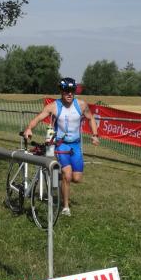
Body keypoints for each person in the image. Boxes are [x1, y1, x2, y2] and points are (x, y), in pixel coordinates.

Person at [23, 77, 99, 217]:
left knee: (77, 178)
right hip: (61, 144)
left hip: (75, 145)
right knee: (68, 175)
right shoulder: (53, 106)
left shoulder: (81, 105)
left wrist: (95, 135)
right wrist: (29, 128)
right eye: (66, 91)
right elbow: (38, 118)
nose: (69, 93)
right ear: (61, 91)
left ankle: (55, 175)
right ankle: (65, 207)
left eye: (72, 90)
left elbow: (91, 118)